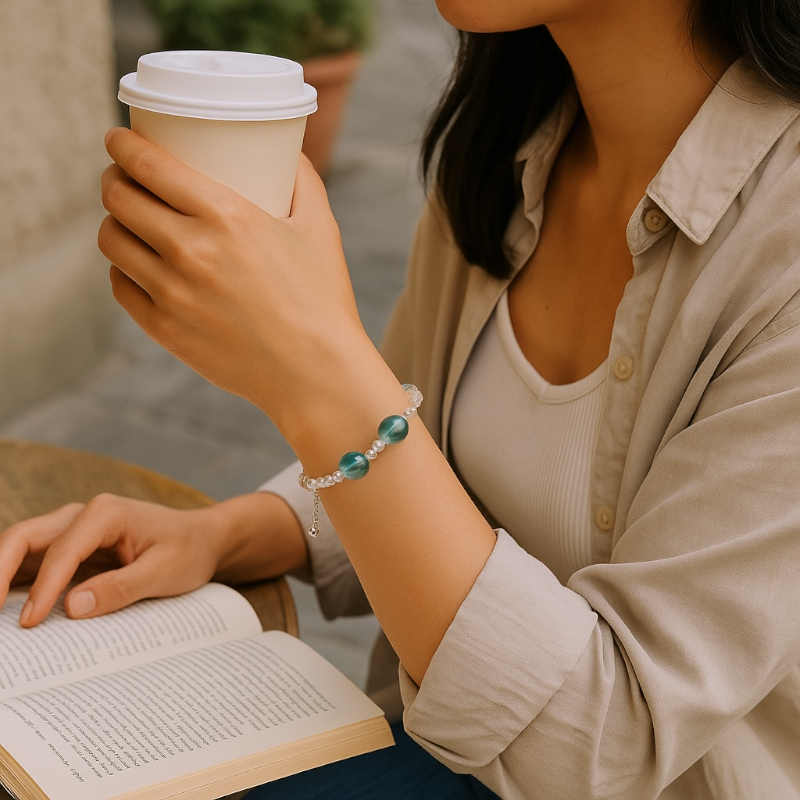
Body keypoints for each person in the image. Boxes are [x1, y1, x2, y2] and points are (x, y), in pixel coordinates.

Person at [2, 0, 800, 796]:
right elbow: (417, 460)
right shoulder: (512, 141)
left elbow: (594, 747)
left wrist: (312, 369)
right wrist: (229, 534)